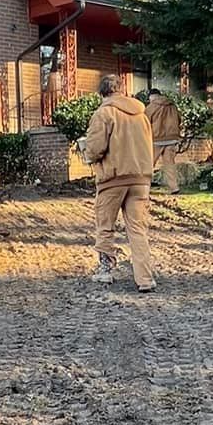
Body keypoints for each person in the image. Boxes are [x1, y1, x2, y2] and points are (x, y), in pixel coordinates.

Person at [80, 75, 156, 291]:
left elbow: (94, 149)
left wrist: (86, 152)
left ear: (102, 93)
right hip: (141, 179)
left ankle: (105, 271)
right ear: (122, 90)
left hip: (112, 179)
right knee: (138, 230)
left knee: (105, 226)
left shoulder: (104, 113)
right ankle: (145, 279)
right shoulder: (142, 115)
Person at [145, 87, 183, 192]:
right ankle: (174, 187)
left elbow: (145, 122)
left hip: (156, 139)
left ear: (151, 97)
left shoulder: (151, 107)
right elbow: (179, 119)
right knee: (169, 164)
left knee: (149, 163)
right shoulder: (172, 105)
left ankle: (144, 186)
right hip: (172, 138)